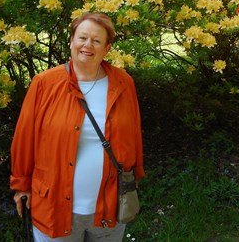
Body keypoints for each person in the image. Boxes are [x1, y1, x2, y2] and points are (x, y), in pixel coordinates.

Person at [10, 12, 145, 241]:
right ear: (71, 41)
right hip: (55, 207)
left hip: (109, 206)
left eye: (96, 40)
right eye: (82, 38)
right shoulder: (45, 83)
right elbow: (25, 138)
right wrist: (21, 185)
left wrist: (135, 178)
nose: (87, 45)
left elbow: (133, 134)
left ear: (107, 48)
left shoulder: (123, 83)